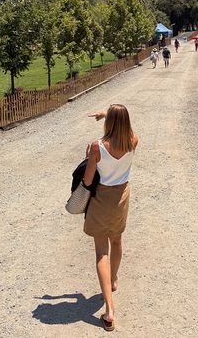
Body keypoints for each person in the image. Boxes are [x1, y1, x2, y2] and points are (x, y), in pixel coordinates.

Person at [84, 105, 139, 332]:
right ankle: (114, 279)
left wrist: (89, 157)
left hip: (102, 198)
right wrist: (110, 115)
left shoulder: (97, 146)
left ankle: (109, 309)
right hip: (121, 197)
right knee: (117, 241)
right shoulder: (133, 140)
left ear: (110, 122)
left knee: (100, 252)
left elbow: (87, 181)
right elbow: (125, 127)